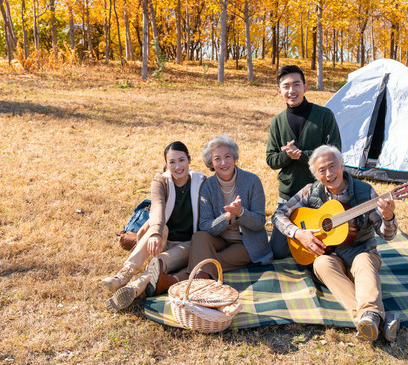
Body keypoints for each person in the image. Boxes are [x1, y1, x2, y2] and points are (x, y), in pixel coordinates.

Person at [273, 145, 400, 342]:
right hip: (329, 255)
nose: (329, 174)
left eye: (333, 166)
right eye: (322, 170)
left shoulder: (365, 192)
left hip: (361, 250)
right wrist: (299, 234)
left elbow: (387, 235)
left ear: (342, 165)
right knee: (321, 264)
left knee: (365, 262)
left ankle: (368, 319)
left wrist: (389, 218)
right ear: (316, 174)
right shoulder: (310, 191)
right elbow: (279, 214)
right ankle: (375, 319)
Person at [147, 135, 271, 292]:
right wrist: (227, 217)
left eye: (228, 157)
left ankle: (173, 281)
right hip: (219, 239)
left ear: (235, 157)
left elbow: (259, 222)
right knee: (199, 237)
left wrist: (241, 212)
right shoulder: (207, 185)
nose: (224, 162)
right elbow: (205, 226)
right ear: (211, 163)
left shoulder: (252, 181)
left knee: (207, 262)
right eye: (217, 159)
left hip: (246, 244)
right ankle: (191, 281)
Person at [100, 141, 205, 311]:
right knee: (159, 228)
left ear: (189, 160)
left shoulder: (201, 182)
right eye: (172, 162)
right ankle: (124, 274)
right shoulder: (161, 181)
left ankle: (134, 288)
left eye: (181, 160)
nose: (177, 166)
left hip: (185, 244)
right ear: (166, 164)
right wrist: (156, 233)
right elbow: (157, 208)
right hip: (163, 237)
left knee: (160, 262)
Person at [266, 65, 342, 259]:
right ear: (279, 90)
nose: (292, 91)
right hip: (289, 195)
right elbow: (271, 159)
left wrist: (301, 155)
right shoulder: (277, 122)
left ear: (305, 87)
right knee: (278, 251)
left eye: (296, 85)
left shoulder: (325, 116)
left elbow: (336, 152)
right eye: (286, 86)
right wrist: (287, 155)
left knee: (324, 248)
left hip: (319, 194)